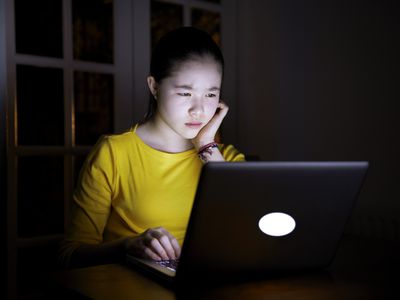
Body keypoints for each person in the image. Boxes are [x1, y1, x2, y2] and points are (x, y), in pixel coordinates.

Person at [58, 27, 245, 269]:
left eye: (210, 94)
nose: (198, 110)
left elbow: (252, 233)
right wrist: (127, 247)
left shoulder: (225, 158)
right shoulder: (114, 153)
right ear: (154, 87)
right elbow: (69, 255)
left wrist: (207, 147)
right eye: (185, 92)